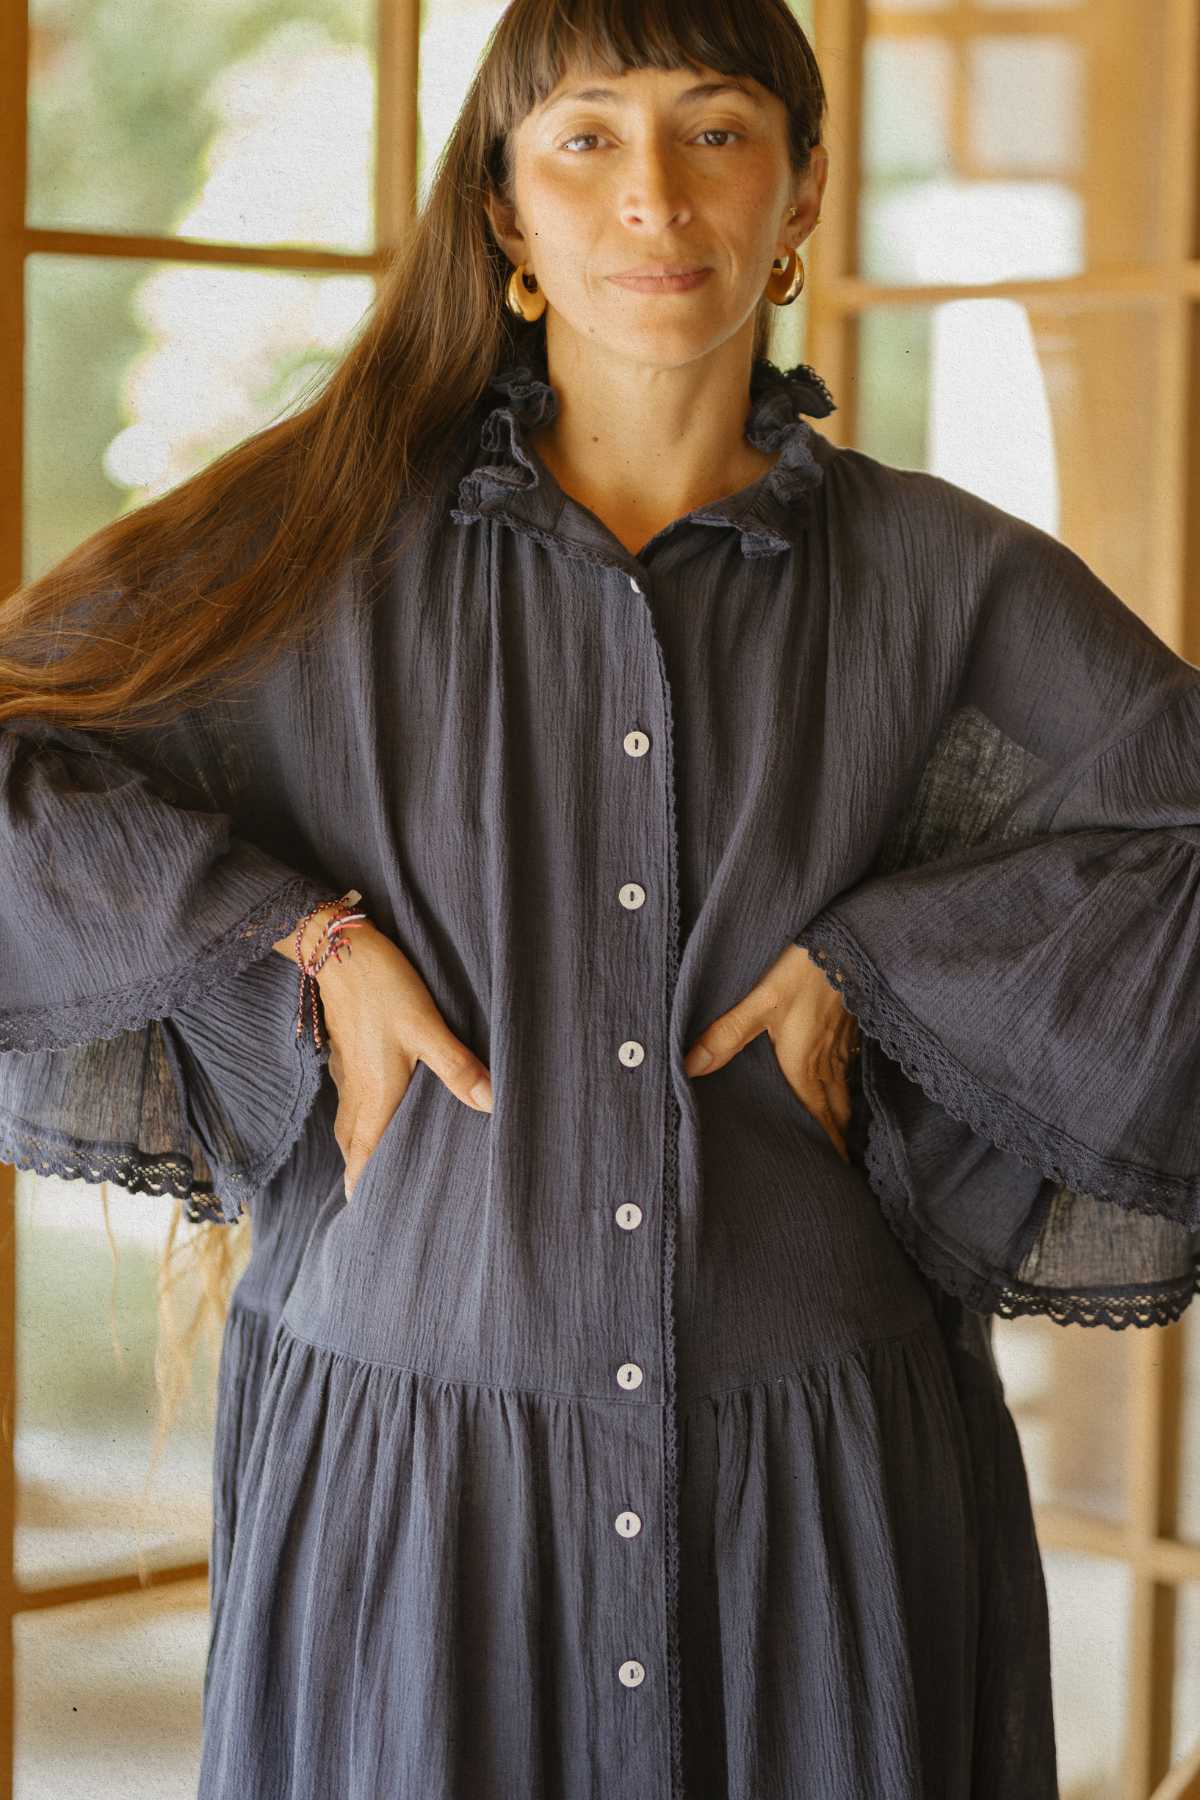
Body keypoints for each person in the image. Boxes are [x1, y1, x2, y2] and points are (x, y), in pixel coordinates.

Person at [2, 0, 1198, 1794]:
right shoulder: (313, 541)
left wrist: (882, 962)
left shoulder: (949, 578)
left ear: (798, 197)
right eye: (586, 137)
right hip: (406, 1502)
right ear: (505, 219)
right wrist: (301, 940)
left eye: (715, 131)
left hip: (828, 1501)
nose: (653, 193)